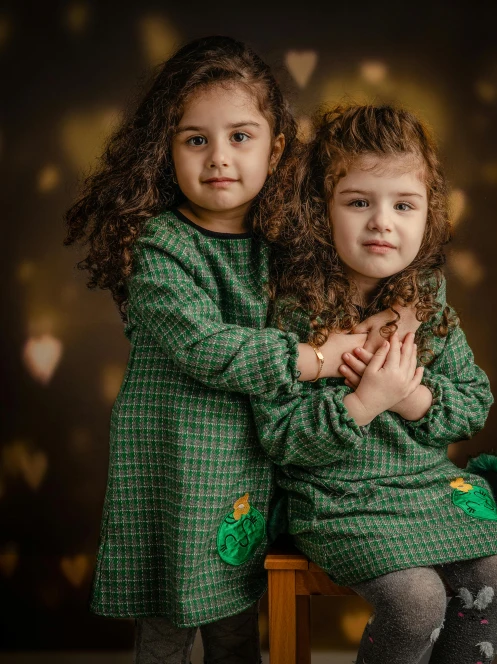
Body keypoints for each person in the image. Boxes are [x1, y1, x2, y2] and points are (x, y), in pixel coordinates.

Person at [64, 37, 406, 664]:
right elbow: (207, 346)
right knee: (167, 629)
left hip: (249, 467)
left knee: (235, 626)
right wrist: (319, 358)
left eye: (241, 137)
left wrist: (397, 312)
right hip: (170, 467)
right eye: (196, 139)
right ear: (165, 152)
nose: (219, 157)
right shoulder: (160, 247)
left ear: (275, 148)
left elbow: (363, 270)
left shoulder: (287, 244)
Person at [252, 105, 497, 664]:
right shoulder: (294, 310)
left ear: (429, 216)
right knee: (417, 598)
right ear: (320, 210)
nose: (383, 221)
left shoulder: (426, 301)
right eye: (359, 202)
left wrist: (409, 399)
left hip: (427, 487)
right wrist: (363, 403)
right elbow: (280, 437)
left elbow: (474, 399)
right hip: (337, 496)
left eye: (404, 205)